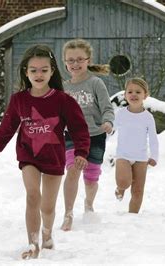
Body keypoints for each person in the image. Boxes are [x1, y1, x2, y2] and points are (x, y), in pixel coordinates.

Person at [0, 44, 90, 259]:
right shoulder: (19, 100)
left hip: (54, 158)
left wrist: (81, 152)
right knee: (32, 196)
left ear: (52, 71)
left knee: (48, 207)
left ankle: (47, 235)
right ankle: (33, 243)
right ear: (25, 72)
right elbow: (7, 129)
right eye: (33, 70)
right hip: (28, 156)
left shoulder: (63, 100)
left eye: (44, 70)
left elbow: (79, 128)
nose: (38, 74)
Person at [60, 39, 115, 231]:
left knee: (91, 178)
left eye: (79, 60)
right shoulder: (63, 87)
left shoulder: (96, 83)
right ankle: (68, 213)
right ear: (65, 62)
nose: (75, 64)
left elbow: (107, 108)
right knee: (73, 170)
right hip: (72, 137)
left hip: (96, 136)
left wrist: (108, 122)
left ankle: (89, 204)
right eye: (71, 60)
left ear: (88, 60)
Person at [114, 77, 158, 213]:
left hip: (141, 158)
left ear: (145, 95)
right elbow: (110, 131)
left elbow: (153, 138)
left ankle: (132, 217)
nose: (133, 95)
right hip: (123, 155)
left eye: (138, 92)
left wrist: (154, 156)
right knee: (123, 182)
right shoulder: (120, 114)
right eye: (130, 92)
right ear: (125, 95)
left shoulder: (148, 117)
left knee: (138, 191)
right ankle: (120, 189)